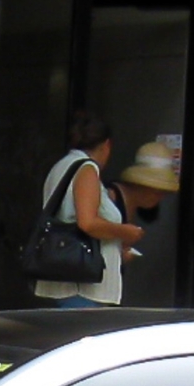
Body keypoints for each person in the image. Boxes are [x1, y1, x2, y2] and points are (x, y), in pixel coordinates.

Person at [34, 110, 142, 309]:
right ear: (107, 145)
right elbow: (87, 222)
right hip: (84, 283)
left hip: (67, 277)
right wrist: (127, 232)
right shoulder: (86, 168)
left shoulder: (61, 167)